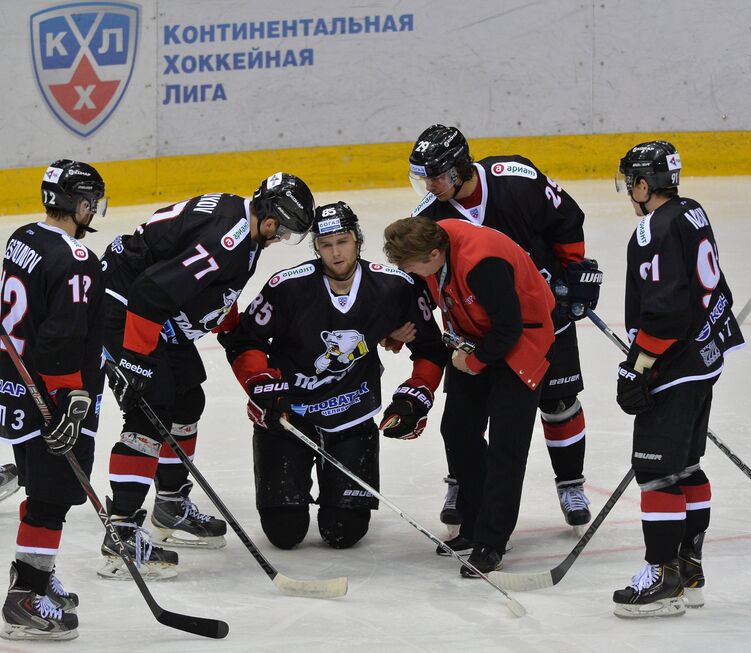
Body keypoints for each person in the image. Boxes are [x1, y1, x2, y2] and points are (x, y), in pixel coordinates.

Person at [99, 172, 315, 579]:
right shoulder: (226, 243)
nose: (281, 238)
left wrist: (231, 325)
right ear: (271, 220)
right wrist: (135, 361)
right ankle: (121, 534)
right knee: (150, 412)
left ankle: (170, 505)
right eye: (284, 231)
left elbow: (207, 287)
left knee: (186, 400)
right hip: (127, 307)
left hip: (154, 309)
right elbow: (150, 292)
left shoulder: (241, 222)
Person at [218, 202, 447, 550]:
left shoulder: (395, 286)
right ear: (316, 248)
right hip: (288, 417)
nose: (336, 253)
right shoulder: (286, 286)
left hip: (351, 416)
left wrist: (414, 397)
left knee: (345, 532)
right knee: (284, 533)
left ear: (357, 240)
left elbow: (430, 349)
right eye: (326, 245)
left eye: (343, 241)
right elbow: (244, 340)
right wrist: (261, 386)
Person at [407, 124, 602, 532]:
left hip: (541, 314)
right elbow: (420, 281)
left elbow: (566, 218)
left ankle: (570, 484)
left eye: (437, 175)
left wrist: (574, 270)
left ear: (461, 167)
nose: (430, 184)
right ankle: (462, 483)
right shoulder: (429, 215)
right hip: (474, 330)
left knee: (560, 399)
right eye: (424, 176)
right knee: (465, 415)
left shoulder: (516, 179)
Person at [611, 141, 744, 618]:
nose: (629, 191)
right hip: (703, 358)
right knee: (686, 467)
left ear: (644, 185)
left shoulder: (651, 231)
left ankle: (662, 574)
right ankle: (690, 571)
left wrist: (637, 366)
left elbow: (664, 314)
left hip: (671, 365)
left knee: (656, 473)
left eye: (631, 182)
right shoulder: (692, 211)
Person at [383, 216, 555, 576]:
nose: (408, 272)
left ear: (433, 254)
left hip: (521, 341)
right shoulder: (434, 246)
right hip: (472, 338)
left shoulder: (483, 264)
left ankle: (492, 542)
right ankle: (474, 525)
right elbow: (424, 295)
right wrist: (399, 331)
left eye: (411, 266)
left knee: (507, 445)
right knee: (458, 430)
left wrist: (474, 362)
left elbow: (509, 327)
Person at [0, 160, 107, 640]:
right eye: (91, 202)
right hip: (52, 398)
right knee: (50, 497)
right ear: (79, 203)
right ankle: (25, 600)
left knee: (39, 487)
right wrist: (70, 399)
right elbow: (62, 339)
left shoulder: (21, 236)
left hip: (14, 388)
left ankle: (31, 573)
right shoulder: (77, 259)